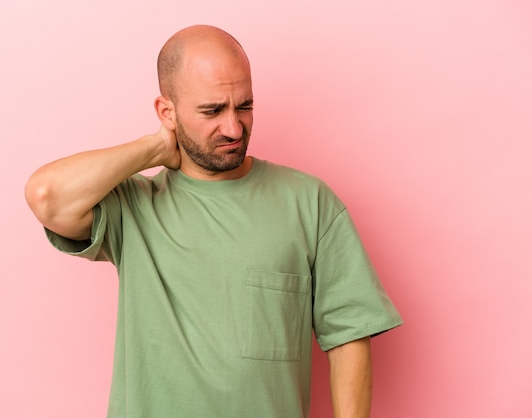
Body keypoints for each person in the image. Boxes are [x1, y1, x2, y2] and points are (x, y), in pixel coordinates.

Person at [25, 24, 402, 418]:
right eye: (212, 111)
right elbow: (47, 196)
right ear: (167, 111)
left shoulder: (310, 202)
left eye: (244, 106)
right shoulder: (134, 207)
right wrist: (154, 147)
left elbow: (349, 335)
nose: (234, 128)